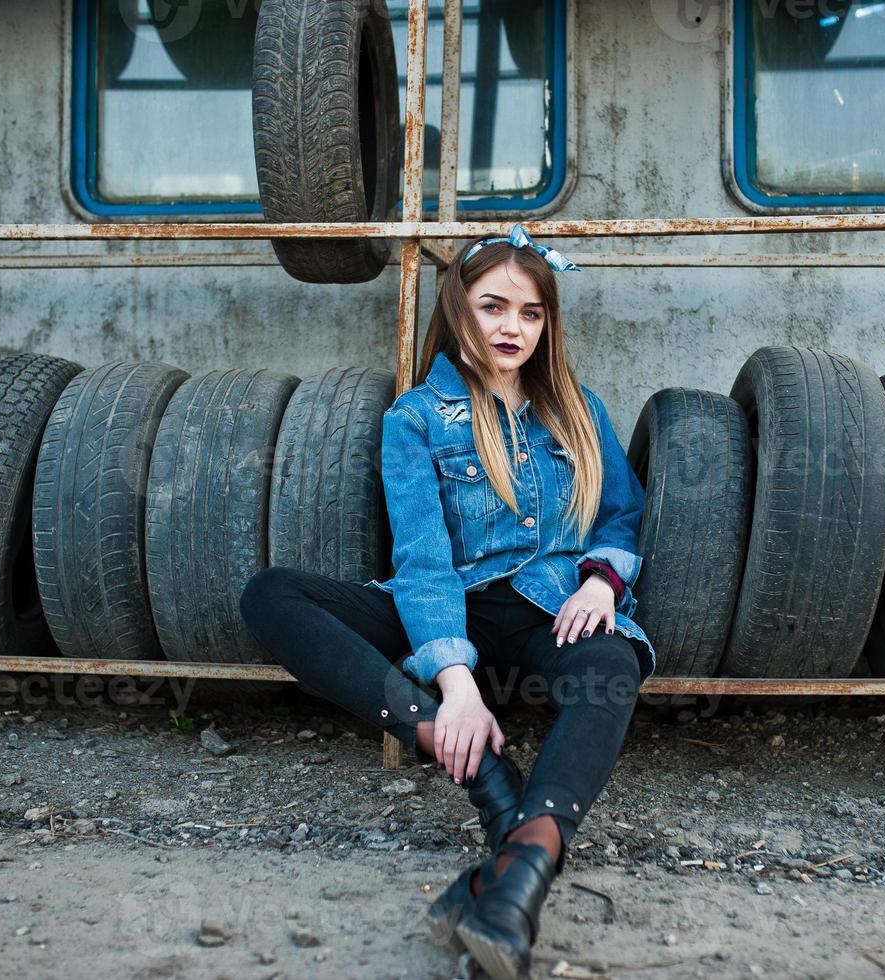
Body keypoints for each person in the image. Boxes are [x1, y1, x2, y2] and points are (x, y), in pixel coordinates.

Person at [239, 223, 656, 980]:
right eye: (494, 306)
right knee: (272, 595)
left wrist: (601, 580)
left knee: (612, 666)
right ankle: (485, 785)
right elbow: (424, 561)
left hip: (546, 607)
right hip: (445, 603)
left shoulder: (576, 408)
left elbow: (620, 513)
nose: (512, 328)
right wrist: (455, 690)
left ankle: (518, 870)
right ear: (458, 307)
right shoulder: (416, 420)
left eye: (530, 313)